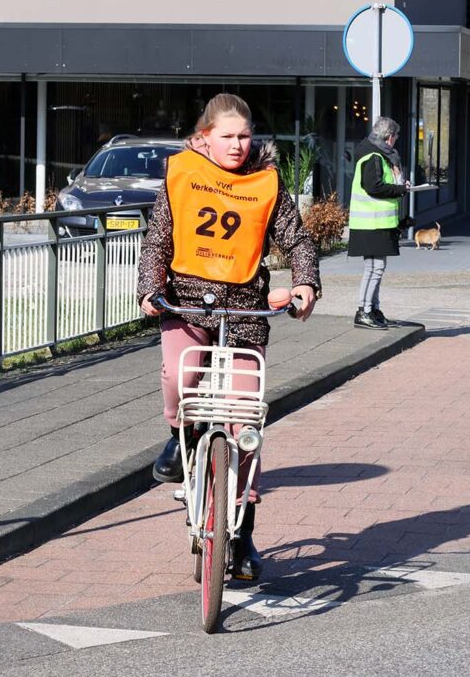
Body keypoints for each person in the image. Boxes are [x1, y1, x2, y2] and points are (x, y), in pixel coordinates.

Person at [137, 93, 320, 581]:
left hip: (244, 308)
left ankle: (241, 537)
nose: (238, 145)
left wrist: (305, 283)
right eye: (228, 136)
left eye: (245, 136)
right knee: (181, 374)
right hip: (187, 301)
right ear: (204, 137)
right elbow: (158, 237)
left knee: (245, 421)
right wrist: (150, 288)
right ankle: (180, 438)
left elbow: (296, 238)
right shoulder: (181, 175)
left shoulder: (266, 182)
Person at [348, 116, 410, 330]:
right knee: (374, 268)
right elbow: (374, 187)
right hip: (371, 223)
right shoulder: (374, 155)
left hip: (376, 222)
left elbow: (379, 184)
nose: (396, 140)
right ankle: (364, 311)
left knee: (375, 267)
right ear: (390, 137)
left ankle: (373, 309)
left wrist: (400, 185)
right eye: (396, 136)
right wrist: (401, 190)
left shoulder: (374, 153)